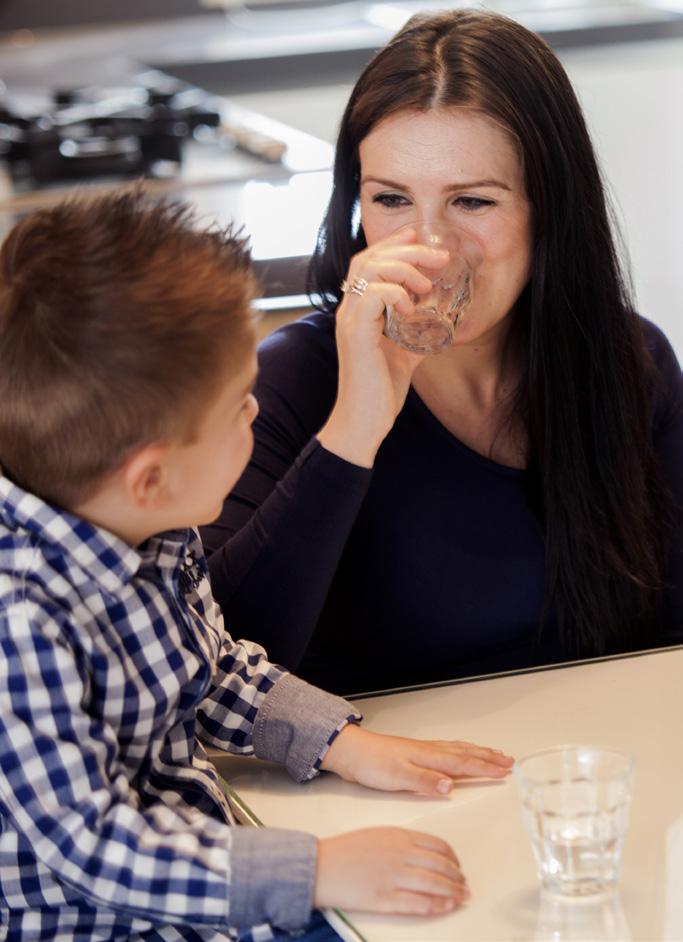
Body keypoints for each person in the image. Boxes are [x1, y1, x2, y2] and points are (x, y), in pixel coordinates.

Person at [0, 191, 514, 941]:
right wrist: (319, 868)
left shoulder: (154, 526)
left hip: (214, 875)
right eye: (238, 405)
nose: (256, 413)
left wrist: (344, 744)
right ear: (151, 476)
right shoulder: (19, 622)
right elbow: (96, 848)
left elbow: (214, 671)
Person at [201, 9, 683, 696]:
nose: (429, 249)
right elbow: (214, 665)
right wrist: (353, 430)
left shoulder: (630, 360)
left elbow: (670, 637)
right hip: (364, 787)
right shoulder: (288, 381)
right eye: (390, 199)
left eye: (472, 203)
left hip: (576, 770)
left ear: (548, 210)